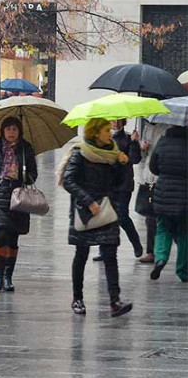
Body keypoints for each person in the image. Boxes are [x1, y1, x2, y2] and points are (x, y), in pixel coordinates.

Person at [61, 118, 133, 317]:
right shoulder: (80, 153)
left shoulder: (112, 153)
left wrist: (123, 164)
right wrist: (88, 201)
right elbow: (68, 181)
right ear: (95, 133)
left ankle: (115, 301)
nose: (110, 133)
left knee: (110, 254)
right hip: (85, 211)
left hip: (106, 209)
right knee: (81, 255)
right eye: (106, 130)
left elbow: (117, 183)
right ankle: (77, 298)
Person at [0, 117, 38, 292]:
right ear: (2, 131)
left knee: (13, 238)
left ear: (19, 131)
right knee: (0, 235)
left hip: (18, 197)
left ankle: (8, 276)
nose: (11, 133)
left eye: (14, 129)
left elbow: (33, 174)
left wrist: (26, 174)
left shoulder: (25, 149)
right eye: (8, 129)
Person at [94, 119, 143, 261]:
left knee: (122, 216)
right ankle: (104, 250)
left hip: (123, 185)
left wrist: (134, 143)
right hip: (107, 184)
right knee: (105, 218)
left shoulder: (128, 138)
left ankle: (136, 244)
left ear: (123, 122)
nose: (115, 123)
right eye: (112, 120)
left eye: (118, 120)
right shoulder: (103, 138)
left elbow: (134, 159)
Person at [148, 125, 188, 282]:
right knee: (184, 233)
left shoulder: (163, 141)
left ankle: (161, 258)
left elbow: (153, 167)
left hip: (163, 192)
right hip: (184, 195)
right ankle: (183, 271)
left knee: (163, 228)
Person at [135, 121, 169, 264]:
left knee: (167, 218)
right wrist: (141, 147)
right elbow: (142, 157)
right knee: (150, 217)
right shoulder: (148, 128)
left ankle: (162, 251)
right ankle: (151, 251)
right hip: (148, 177)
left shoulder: (169, 129)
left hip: (163, 178)